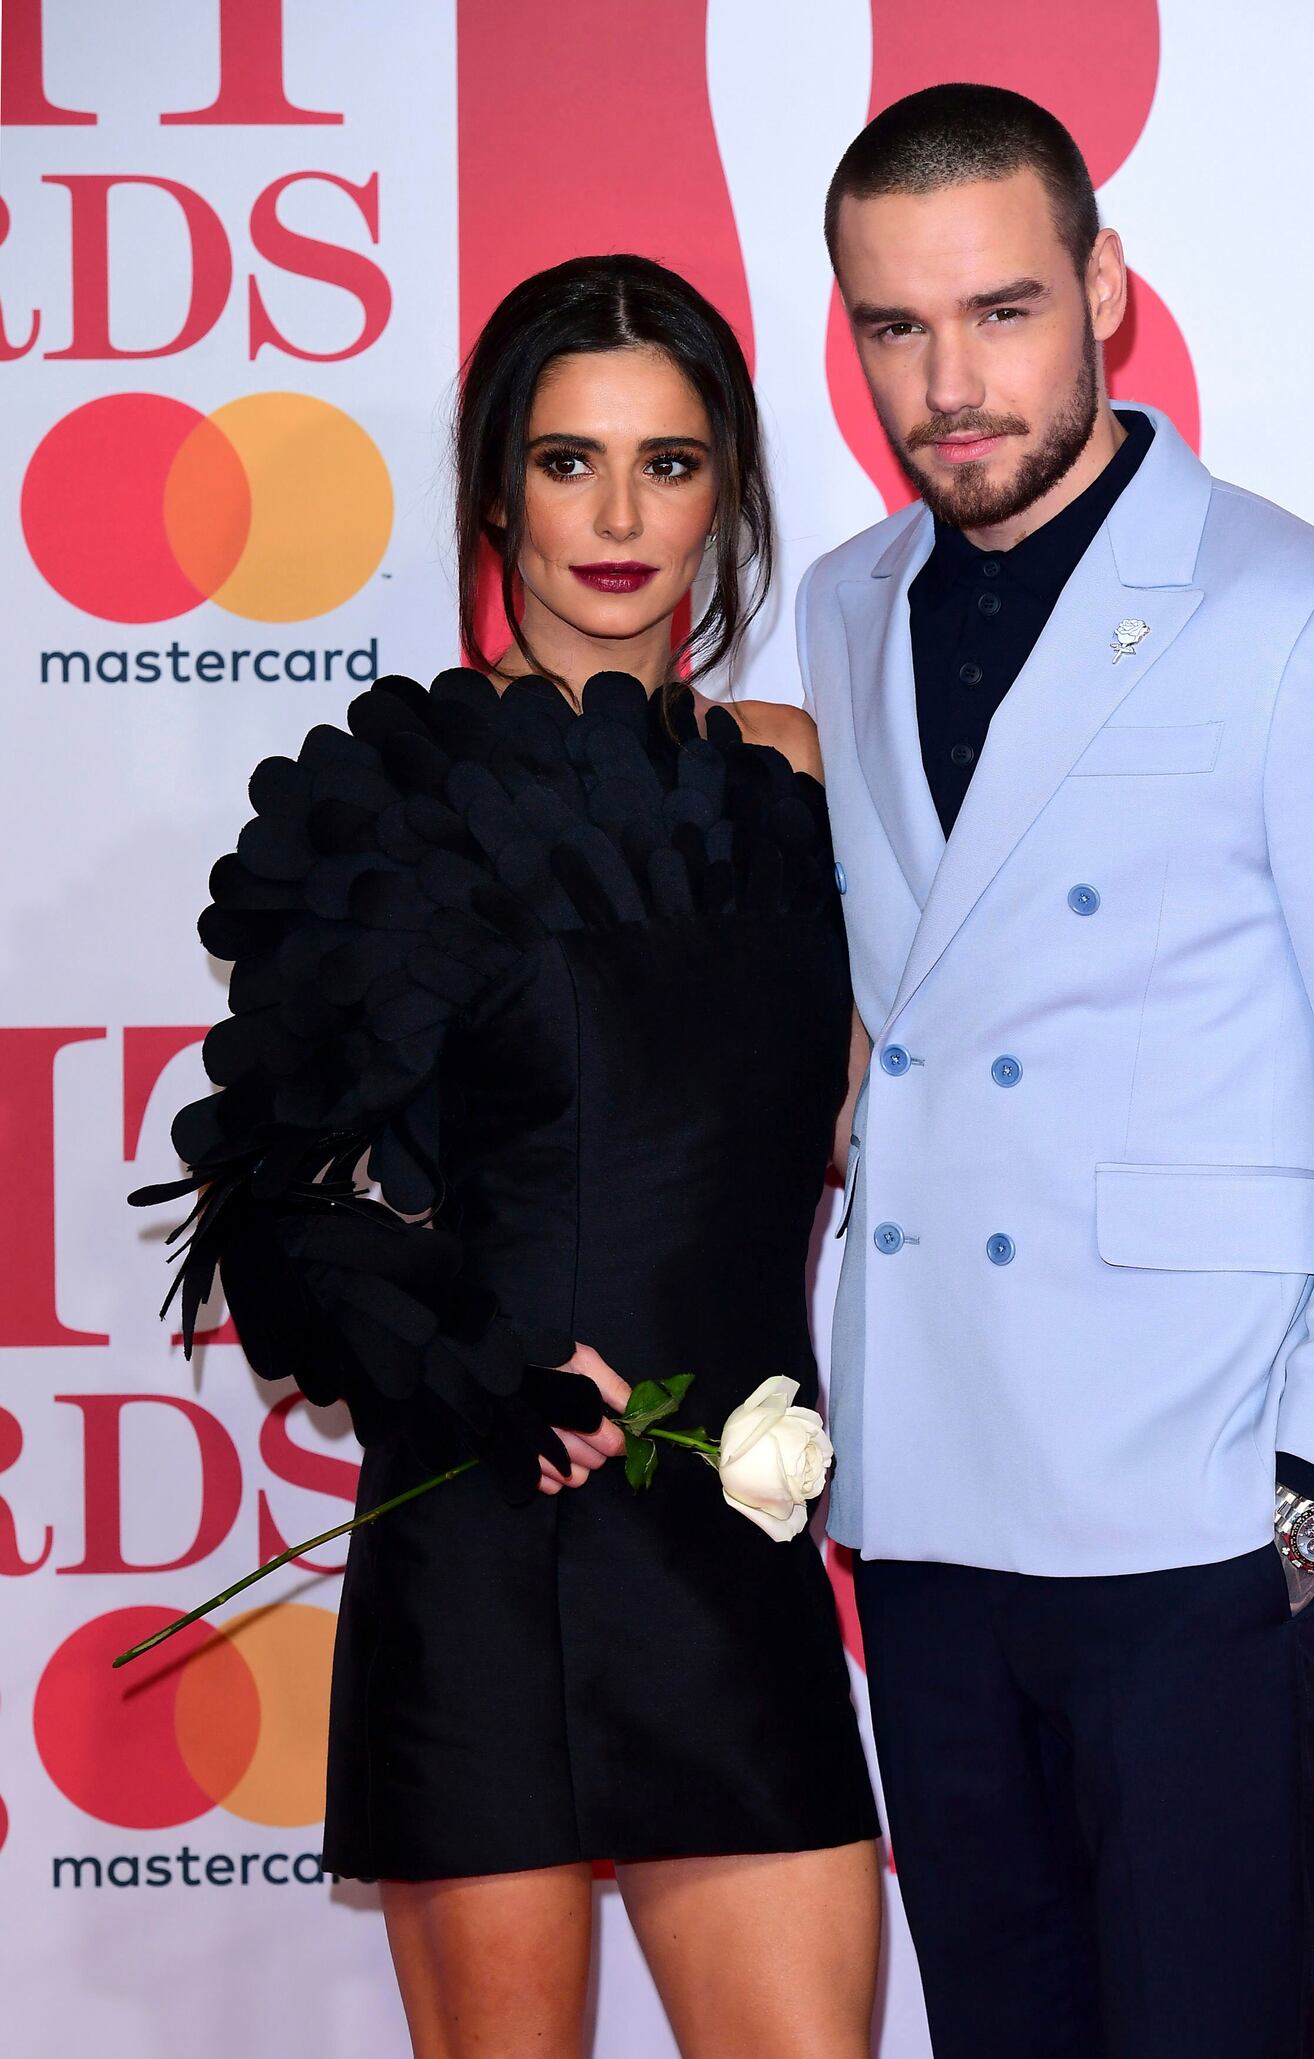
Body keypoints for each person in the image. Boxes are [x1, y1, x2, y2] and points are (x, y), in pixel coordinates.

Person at [798, 84, 1314, 2059]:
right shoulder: (843, 606)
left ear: (1103, 285)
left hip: (1189, 1504)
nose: (949, 382)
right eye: (893, 329)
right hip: (927, 1497)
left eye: (1001, 311)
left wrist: (1311, 1491)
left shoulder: (1303, 616)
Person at [130, 254, 881, 2059]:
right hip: (488, 1534)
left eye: (673, 463)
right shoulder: (402, 806)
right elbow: (265, 1213)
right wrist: (487, 1374)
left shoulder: (809, 782)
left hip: (731, 1546)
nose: (620, 517)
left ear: (732, 490)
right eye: (568, 462)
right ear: (493, 488)